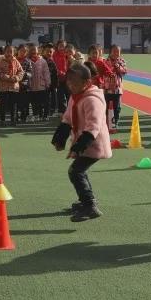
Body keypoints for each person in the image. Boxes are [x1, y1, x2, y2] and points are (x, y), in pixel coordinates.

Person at [51, 62, 112, 221]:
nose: (71, 86)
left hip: (94, 144)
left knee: (75, 171)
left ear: (87, 83)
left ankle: (90, 205)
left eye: (75, 83)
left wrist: (79, 146)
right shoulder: (76, 96)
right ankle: (85, 201)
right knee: (79, 171)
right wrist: (60, 138)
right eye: (69, 82)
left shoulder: (92, 100)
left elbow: (94, 126)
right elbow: (68, 118)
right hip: (83, 143)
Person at [0, 45, 24, 126]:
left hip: (13, 87)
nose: (9, 53)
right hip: (3, 87)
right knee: (3, 104)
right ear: (4, 52)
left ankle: (13, 119)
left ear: (13, 52)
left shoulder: (16, 61)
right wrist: (6, 77)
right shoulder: (2, 61)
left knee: (13, 104)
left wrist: (17, 77)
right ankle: (2, 120)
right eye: (7, 51)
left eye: (11, 52)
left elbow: (21, 72)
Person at [104, 44, 127, 129]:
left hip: (117, 90)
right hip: (107, 88)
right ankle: (106, 122)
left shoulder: (121, 61)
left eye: (118, 51)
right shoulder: (105, 61)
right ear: (110, 52)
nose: (116, 53)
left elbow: (124, 72)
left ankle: (115, 122)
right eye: (114, 51)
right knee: (106, 106)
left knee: (117, 107)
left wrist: (118, 67)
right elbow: (104, 71)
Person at [27, 43, 51, 122]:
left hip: (41, 85)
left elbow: (46, 73)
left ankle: (45, 115)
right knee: (34, 102)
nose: (33, 51)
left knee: (43, 102)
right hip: (32, 86)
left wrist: (47, 83)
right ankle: (36, 115)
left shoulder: (42, 61)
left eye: (35, 49)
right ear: (29, 51)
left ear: (38, 51)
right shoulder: (27, 61)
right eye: (31, 50)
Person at [16, 44, 33, 124]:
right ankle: (16, 116)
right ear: (17, 51)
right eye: (21, 51)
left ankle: (24, 116)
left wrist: (24, 74)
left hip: (25, 85)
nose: (23, 53)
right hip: (15, 85)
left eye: (25, 51)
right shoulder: (14, 60)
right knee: (16, 102)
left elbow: (30, 73)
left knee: (25, 102)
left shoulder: (28, 61)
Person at [42, 43, 59, 118]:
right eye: (47, 51)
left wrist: (55, 84)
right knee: (45, 99)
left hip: (52, 84)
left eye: (50, 52)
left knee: (53, 98)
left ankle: (52, 112)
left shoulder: (52, 61)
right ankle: (45, 113)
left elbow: (55, 73)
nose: (49, 53)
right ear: (43, 52)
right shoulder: (41, 61)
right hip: (44, 84)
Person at [53, 40, 70, 112]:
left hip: (68, 78)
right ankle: (62, 110)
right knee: (60, 95)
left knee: (68, 94)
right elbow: (53, 65)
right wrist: (59, 72)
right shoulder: (54, 55)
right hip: (58, 78)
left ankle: (70, 109)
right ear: (57, 46)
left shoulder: (68, 55)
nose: (62, 48)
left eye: (63, 46)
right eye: (60, 46)